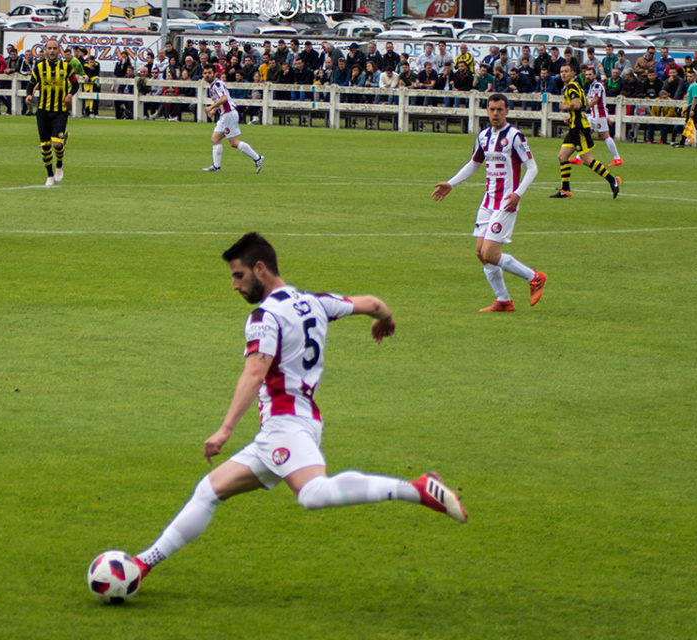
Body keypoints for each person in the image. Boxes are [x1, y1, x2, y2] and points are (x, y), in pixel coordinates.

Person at [128, 232, 467, 582]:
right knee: (210, 490)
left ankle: (416, 489)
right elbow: (371, 302)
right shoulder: (314, 302)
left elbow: (255, 371)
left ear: (260, 269)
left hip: (285, 424)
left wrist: (225, 429)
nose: (234, 285)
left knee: (313, 494)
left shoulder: (265, 316)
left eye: (238, 275)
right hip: (296, 422)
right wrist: (386, 319)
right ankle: (141, 565)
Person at [432, 95, 544, 311]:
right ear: (487, 111)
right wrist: (451, 184)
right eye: (491, 109)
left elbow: (533, 167)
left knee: (490, 253)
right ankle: (503, 300)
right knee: (480, 254)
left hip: (506, 202)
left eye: (499, 109)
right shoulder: (483, 136)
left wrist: (518, 194)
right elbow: (474, 163)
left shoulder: (515, 137)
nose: (495, 113)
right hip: (487, 202)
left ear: (507, 112)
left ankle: (535, 277)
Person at [550, 64, 620, 200]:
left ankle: (613, 180)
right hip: (574, 126)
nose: (563, 74)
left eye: (566, 71)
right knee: (562, 156)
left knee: (587, 160)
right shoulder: (574, 86)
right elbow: (584, 105)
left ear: (573, 73)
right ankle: (565, 190)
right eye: (561, 71)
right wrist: (570, 116)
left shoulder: (571, 87)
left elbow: (576, 105)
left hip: (580, 128)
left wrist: (565, 106)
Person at [25, 38, 78, 187]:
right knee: (45, 146)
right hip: (42, 111)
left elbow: (75, 84)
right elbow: (30, 85)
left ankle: (59, 164)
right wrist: (29, 95)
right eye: (50, 48)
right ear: (45, 50)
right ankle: (49, 174)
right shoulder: (39, 67)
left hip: (60, 111)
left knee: (56, 144)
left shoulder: (66, 67)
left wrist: (69, 95)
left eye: (55, 48)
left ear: (58, 50)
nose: (52, 51)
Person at [201, 65, 263, 174]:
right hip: (225, 114)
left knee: (234, 142)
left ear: (215, 74)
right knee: (215, 138)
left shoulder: (217, 85)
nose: (207, 75)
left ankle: (257, 158)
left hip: (228, 115)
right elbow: (223, 100)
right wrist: (214, 110)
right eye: (205, 73)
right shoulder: (215, 85)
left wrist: (210, 107)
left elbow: (224, 98)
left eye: (209, 73)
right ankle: (216, 166)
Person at [570, 66, 622, 166]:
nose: (588, 76)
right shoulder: (592, 86)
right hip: (594, 115)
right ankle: (578, 157)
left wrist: (585, 107)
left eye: (590, 74)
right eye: (586, 75)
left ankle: (617, 158)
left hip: (599, 115)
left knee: (605, 136)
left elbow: (596, 100)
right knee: (585, 133)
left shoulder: (597, 86)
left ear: (595, 75)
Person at [672, 68, 697, 148]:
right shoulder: (691, 86)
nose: (689, 78)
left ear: (695, 77)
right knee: (696, 125)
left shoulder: (694, 86)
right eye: (688, 76)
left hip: (694, 107)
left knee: (688, 124)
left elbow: (695, 98)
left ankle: (682, 143)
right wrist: (686, 108)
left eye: (691, 76)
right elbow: (691, 99)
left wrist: (692, 109)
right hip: (693, 106)